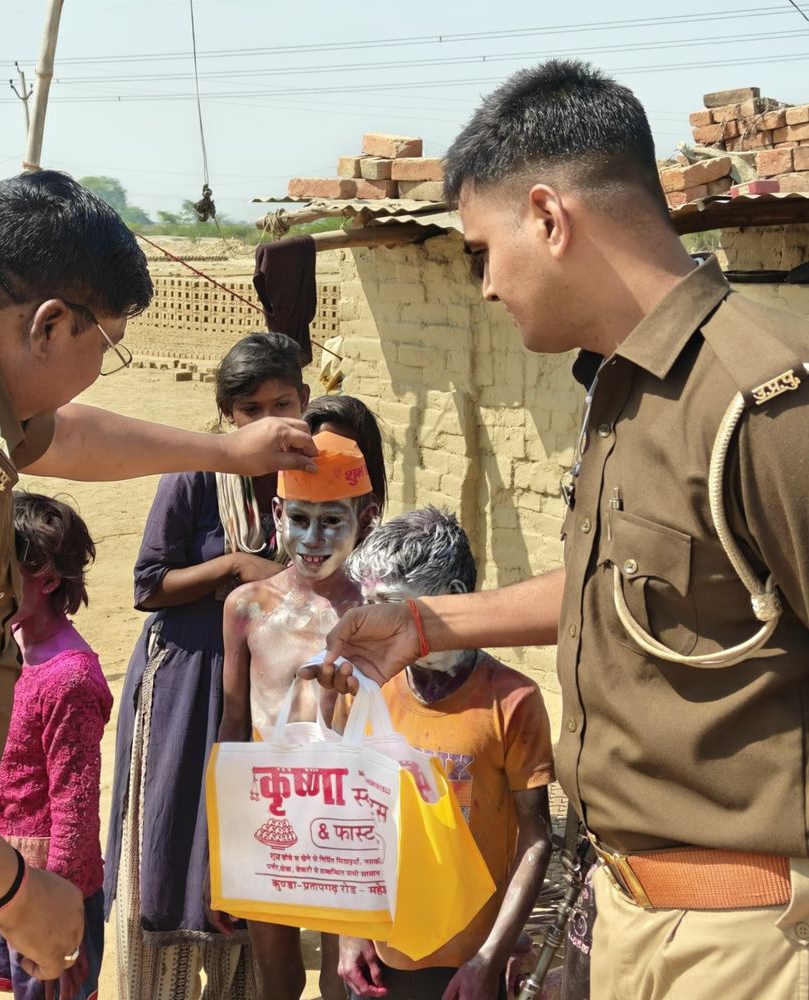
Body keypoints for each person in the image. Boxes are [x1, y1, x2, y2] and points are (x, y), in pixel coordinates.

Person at [304, 60, 809, 1000]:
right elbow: (606, 587)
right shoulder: (622, 394)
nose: (486, 286)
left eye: (482, 250)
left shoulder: (765, 396)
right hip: (629, 913)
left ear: (548, 217)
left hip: (748, 934)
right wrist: (426, 626)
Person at [0, 169, 315, 1000]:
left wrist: (227, 450)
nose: (96, 370)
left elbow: (56, 435)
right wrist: (16, 896)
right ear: (50, 323)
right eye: (102, 348)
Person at [105, 332, 308, 1000]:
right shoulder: (195, 471)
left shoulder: (313, 470)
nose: (272, 418)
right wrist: (236, 567)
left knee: (258, 829)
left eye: (285, 401)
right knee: (176, 823)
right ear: (228, 415)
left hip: (271, 685)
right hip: (189, 679)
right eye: (252, 409)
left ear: (306, 400)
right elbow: (148, 585)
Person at [337, 507, 553, 1000]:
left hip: (466, 966)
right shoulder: (369, 689)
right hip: (380, 957)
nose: (373, 626)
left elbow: (536, 837)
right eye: (367, 606)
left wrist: (488, 958)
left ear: (453, 602)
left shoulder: (510, 701)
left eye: (391, 607)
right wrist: (350, 932)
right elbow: (349, 816)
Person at [216, 428, 383, 1000]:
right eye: (300, 519)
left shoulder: (376, 614)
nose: (313, 538)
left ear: (368, 516)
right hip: (270, 818)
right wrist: (223, 844)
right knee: (277, 978)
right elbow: (233, 726)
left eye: (333, 520)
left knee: (345, 980)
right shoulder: (248, 608)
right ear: (276, 511)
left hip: (350, 824)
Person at [0, 492, 109, 1000]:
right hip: (2, 872)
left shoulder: (68, 679)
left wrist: (62, 912)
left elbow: (74, 806)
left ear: (48, 580)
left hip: (48, 888)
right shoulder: (2, 644)